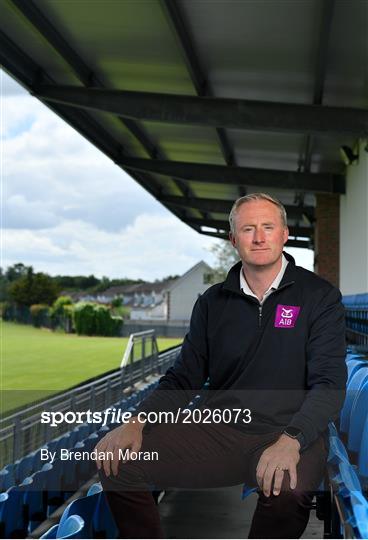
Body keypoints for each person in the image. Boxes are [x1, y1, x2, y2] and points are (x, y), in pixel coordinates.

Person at [96, 193, 347, 539]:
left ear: (284, 234)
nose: (259, 237)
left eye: (268, 227)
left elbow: (329, 383)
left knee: (288, 490)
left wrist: (293, 438)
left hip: (291, 430)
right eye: (248, 229)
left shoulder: (319, 296)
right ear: (233, 239)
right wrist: (138, 421)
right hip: (223, 429)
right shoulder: (212, 302)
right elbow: (184, 377)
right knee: (118, 460)